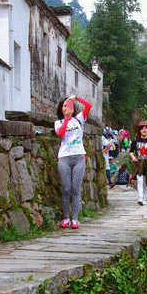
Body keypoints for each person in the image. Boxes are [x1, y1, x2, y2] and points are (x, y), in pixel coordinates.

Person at [54, 95, 92, 229]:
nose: (66, 108)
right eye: (64, 106)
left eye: (69, 105)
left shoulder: (79, 119)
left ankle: (75, 219)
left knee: (76, 189)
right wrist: (66, 119)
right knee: (66, 188)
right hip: (64, 157)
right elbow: (61, 133)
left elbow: (89, 106)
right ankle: (66, 218)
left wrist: (76, 98)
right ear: (61, 108)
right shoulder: (58, 122)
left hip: (78, 157)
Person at [130, 121, 147, 205]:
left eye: (146, 128)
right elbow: (131, 151)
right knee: (140, 180)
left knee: (146, 181)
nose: (144, 130)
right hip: (139, 163)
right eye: (142, 128)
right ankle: (140, 198)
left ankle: (144, 198)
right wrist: (133, 157)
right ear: (139, 130)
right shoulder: (135, 140)